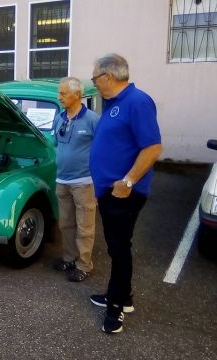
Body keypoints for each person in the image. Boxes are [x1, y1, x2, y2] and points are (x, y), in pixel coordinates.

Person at [89, 54, 162, 334]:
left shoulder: (137, 102)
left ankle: (116, 308)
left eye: (95, 78)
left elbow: (153, 148)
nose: (94, 82)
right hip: (110, 192)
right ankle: (122, 296)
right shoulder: (113, 104)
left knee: (119, 250)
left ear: (108, 77)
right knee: (116, 247)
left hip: (124, 194)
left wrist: (127, 182)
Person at [52, 77, 99, 282]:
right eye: (59, 93)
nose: (59, 97)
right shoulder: (59, 117)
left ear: (77, 95)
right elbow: (56, 143)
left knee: (85, 226)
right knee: (65, 224)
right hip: (62, 181)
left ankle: (84, 265)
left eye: (63, 93)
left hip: (83, 182)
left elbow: (103, 149)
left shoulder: (92, 119)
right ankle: (69, 259)